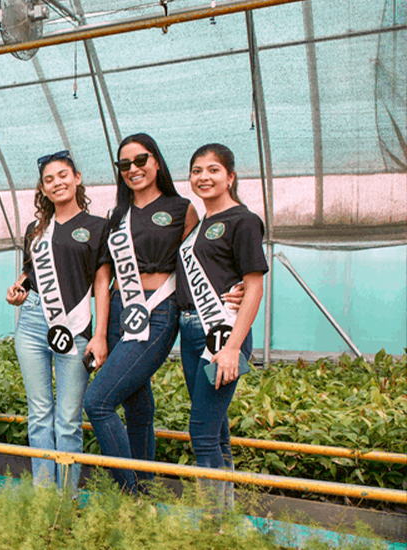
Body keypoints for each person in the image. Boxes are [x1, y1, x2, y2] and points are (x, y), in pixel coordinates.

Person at [83, 133, 198, 493]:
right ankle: (145, 491)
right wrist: (100, 334)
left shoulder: (183, 209)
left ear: (157, 162)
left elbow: (200, 265)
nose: (133, 169)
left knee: (97, 402)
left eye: (141, 160)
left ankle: (130, 494)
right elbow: (104, 276)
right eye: (125, 164)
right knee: (138, 407)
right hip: (119, 310)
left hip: (158, 311)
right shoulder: (116, 215)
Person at [5, 151, 110, 493]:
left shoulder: (98, 227)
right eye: (49, 179)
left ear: (77, 177)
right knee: (39, 414)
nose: (57, 183)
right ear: (43, 189)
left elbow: (101, 283)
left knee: (68, 420)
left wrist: (101, 336)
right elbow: (29, 275)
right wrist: (18, 290)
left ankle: (66, 502)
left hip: (76, 327)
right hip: (34, 321)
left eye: (63, 175)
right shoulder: (36, 231)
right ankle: (42, 496)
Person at [175, 143, 267, 512]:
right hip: (191, 332)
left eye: (213, 170)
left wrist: (231, 347)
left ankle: (211, 523)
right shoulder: (199, 225)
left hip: (221, 334)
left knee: (201, 432)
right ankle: (224, 518)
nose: (204, 177)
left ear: (230, 177)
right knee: (216, 432)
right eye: (197, 170)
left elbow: (255, 285)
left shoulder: (243, 220)